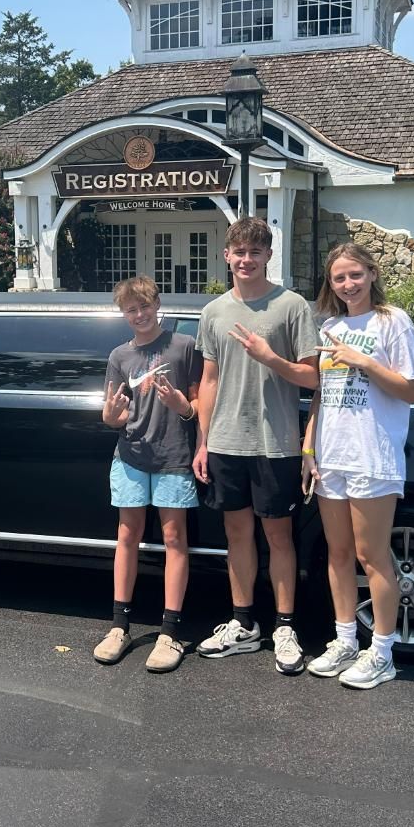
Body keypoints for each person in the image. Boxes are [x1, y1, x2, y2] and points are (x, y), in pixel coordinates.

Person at [192, 217, 319, 675]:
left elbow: (313, 376)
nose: (246, 260)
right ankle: (243, 624)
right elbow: (208, 380)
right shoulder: (214, 312)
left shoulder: (292, 306)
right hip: (226, 442)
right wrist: (203, 441)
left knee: (279, 537)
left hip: (276, 444)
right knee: (237, 536)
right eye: (238, 252)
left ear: (268, 256)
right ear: (226, 255)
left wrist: (270, 358)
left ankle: (285, 626)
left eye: (255, 252)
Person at [301, 242, 414, 690]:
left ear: (372, 274)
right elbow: (321, 394)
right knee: (337, 554)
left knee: (372, 556)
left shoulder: (392, 321)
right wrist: (309, 449)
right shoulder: (331, 324)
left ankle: (382, 652)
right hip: (333, 455)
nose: (348, 284)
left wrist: (364, 361)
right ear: (330, 284)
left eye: (355, 274)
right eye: (339, 278)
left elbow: (411, 391)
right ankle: (345, 641)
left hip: (372, 456)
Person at [94, 275, 202, 673]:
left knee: (175, 538)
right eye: (130, 310)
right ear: (123, 314)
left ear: (158, 305)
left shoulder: (184, 346)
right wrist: (110, 417)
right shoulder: (119, 356)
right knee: (127, 535)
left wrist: (182, 405)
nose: (139, 315)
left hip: (174, 455)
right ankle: (119, 626)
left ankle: (170, 631)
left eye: (144, 306)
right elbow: (114, 414)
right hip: (131, 455)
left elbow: (198, 403)